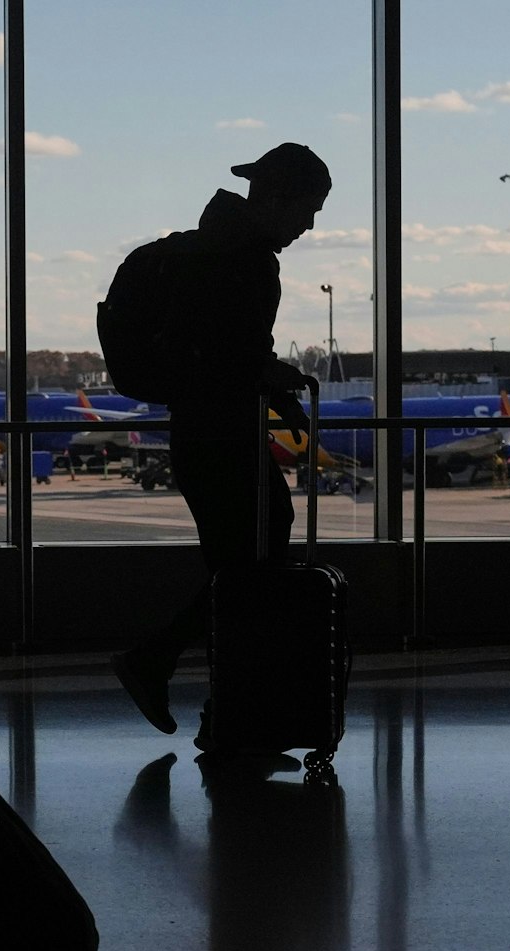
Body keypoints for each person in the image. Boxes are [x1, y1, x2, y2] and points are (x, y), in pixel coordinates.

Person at [109, 143, 329, 745]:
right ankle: (178, 678)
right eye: (308, 210)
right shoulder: (245, 260)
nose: (309, 226)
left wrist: (267, 383)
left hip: (199, 432)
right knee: (252, 572)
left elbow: (220, 353)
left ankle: (221, 712)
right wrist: (276, 377)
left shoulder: (204, 250)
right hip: (223, 435)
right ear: (279, 199)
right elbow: (238, 355)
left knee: (240, 572)